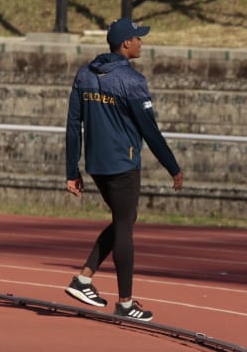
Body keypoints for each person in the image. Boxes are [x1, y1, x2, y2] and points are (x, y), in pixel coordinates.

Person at [63, 17, 184, 322]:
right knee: (125, 227)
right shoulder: (132, 81)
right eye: (138, 38)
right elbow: (149, 130)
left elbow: (73, 126)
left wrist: (72, 171)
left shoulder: (84, 74)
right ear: (126, 43)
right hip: (123, 164)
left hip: (96, 164)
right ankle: (126, 303)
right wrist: (172, 166)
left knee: (123, 221)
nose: (142, 42)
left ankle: (84, 279)